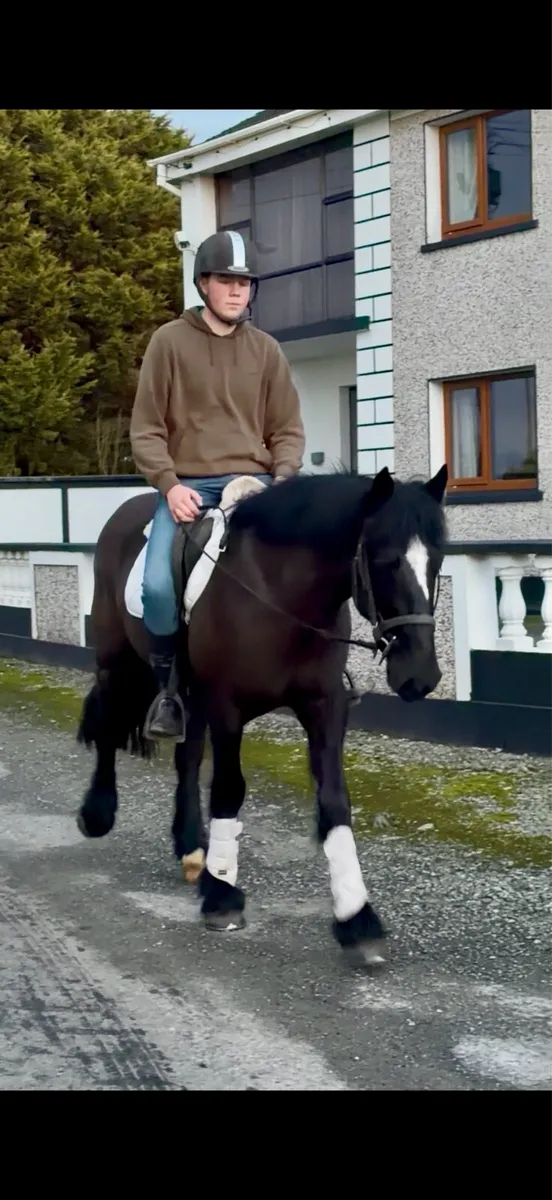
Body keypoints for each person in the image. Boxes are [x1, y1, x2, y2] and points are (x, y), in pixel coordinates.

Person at [129, 229, 305, 741]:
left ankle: (311, 673)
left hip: (257, 482)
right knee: (159, 586)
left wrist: (283, 479)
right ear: (203, 283)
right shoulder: (168, 342)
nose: (237, 291)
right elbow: (147, 429)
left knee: (309, 566)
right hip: (188, 485)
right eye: (226, 280)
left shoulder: (267, 350)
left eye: (245, 282)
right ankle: (168, 692)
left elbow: (287, 430)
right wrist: (168, 485)